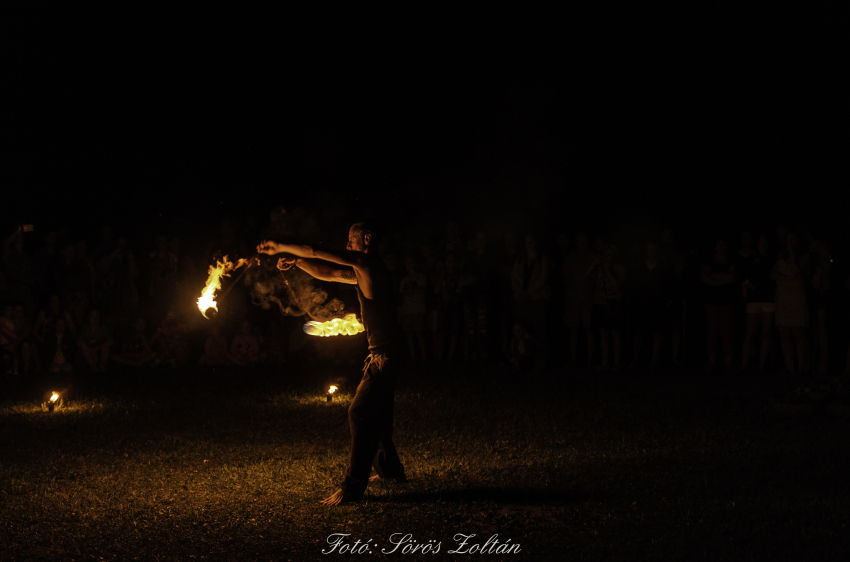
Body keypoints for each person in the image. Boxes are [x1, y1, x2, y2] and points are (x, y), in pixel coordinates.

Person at [258, 221, 407, 506]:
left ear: (366, 238)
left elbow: (320, 252)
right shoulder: (363, 270)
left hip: (387, 355)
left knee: (360, 411)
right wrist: (298, 261)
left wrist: (280, 246)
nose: (347, 245)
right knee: (381, 413)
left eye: (351, 240)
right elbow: (326, 271)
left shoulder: (368, 262)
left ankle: (352, 488)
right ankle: (390, 471)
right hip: (386, 352)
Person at [772, 233, 809, 376]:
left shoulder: (804, 256)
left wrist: (791, 250)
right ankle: (789, 367)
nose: (790, 242)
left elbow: (795, 269)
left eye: (792, 239)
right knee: (784, 331)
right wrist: (789, 279)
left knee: (797, 331)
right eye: (788, 240)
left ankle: (800, 366)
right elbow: (773, 274)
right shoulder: (780, 256)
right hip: (782, 297)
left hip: (796, 298)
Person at [740, 234, 775, 374]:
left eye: (765, 242)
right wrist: (749, 286)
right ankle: (743, 365)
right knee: (750, 332)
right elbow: (744, 276)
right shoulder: (751, 259)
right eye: (761, 242)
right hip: (754, 300)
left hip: (768, 300)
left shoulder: (772, 259)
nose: (763, 245)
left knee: (765, 333)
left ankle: (761, 365)